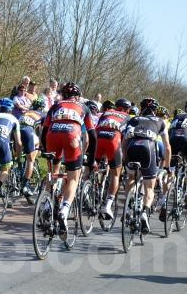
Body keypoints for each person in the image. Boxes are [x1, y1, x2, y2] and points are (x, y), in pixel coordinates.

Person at [41, 82, 96, 229]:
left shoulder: (55, 105)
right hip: (72, 136)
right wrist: (90, 161)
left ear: (63, 95)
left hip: (52, 135)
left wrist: (45, 149)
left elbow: (44, 130)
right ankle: (64, 210)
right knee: (73, 177)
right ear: (77, 96)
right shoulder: (83, 107)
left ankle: (46, 206)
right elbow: (92, 136)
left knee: (52, 172)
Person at [122, 98, 171, 233]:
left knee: (131, 177)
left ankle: (127, 207)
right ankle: (144, 212)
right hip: (148, 147)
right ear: (155, 110)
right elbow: (167, 146)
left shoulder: (134, 119)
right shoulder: (160, 121)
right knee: (149, 187)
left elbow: (124, 143)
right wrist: (166, 166)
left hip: (132, 146)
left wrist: (125, 160)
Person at [95, 98, 131, 219]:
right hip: (113, 140)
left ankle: (86, 188)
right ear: (128, 109)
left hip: (98, 139)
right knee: (115, 174)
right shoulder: (128, 117)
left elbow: (97, 128)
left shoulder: (106, 112)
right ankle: (108, 205)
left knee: (91, 167)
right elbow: (125, 139)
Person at [18, 97, 44, 196]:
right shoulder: (41, 114)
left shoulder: (27, 112)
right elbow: (41, 132)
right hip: (28, 132)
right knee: (30, 160)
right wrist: (41, 147)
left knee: (17, 156)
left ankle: (17, 169)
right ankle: (25, 185)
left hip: (16, 131)